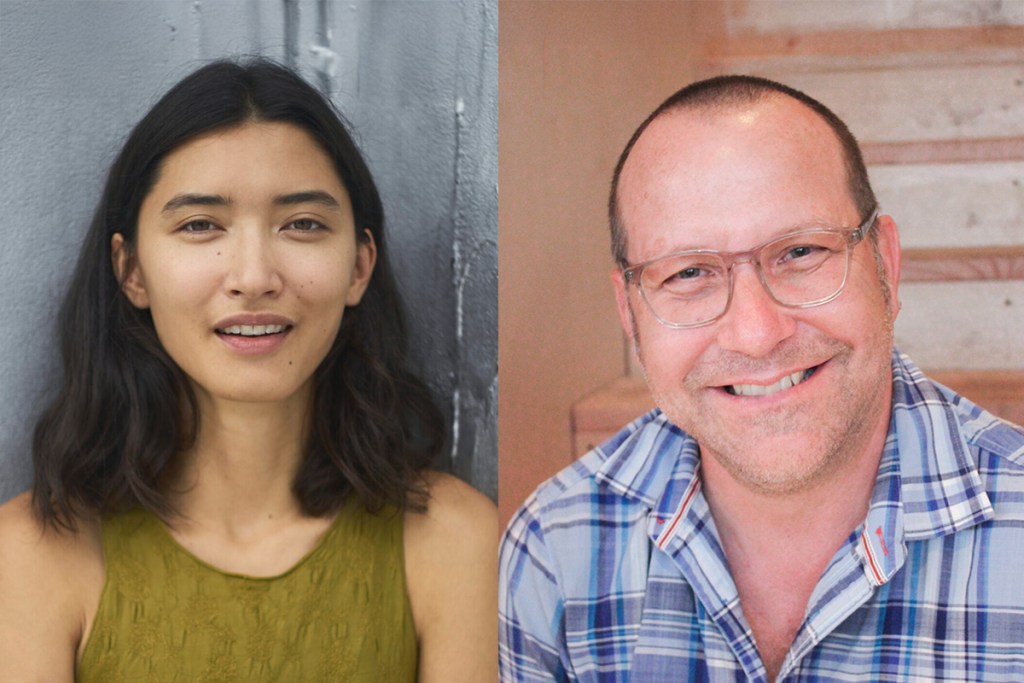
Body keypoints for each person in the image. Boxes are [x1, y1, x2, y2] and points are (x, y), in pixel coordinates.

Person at [499, 74, 1024, 682]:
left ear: (885, 262)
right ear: (629, 313)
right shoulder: (554, 552)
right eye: (689, 273)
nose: (756, 332)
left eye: (801, 252)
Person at [0, 58, 496, 682]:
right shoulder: (34, 552)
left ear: (359, 268)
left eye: (303, 224)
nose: (255, 276)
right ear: (131, 271)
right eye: (201, 224)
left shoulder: (452, 540)